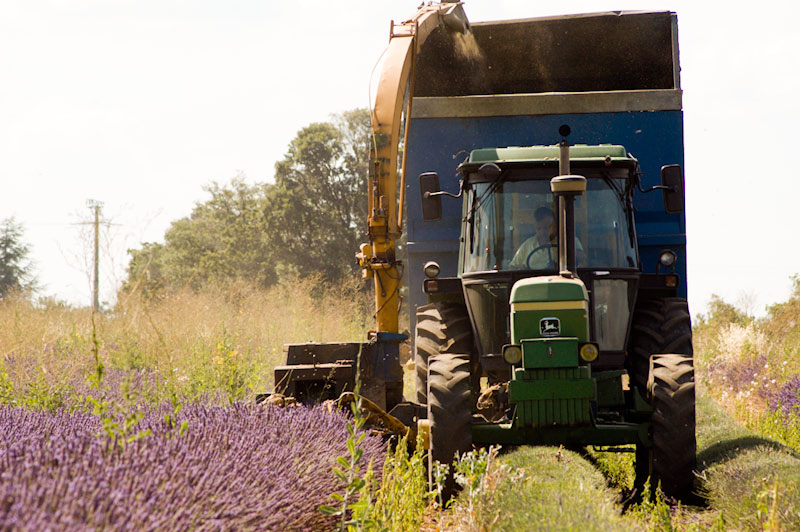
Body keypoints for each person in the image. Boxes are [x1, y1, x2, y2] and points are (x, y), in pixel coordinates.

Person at [509, 206, 583, 269]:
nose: (542, 232)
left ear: (554, 226)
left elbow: (582, 260)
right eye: (539, 228)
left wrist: (568, 254)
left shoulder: (568, 240)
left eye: (546, 228)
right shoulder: (527, 245)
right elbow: (513, 267)